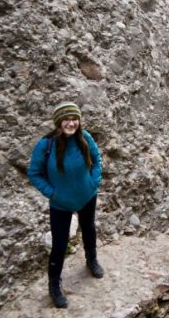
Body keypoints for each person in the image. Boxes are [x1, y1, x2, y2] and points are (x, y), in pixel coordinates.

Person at [28, 102, 104, 309]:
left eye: (74, 119)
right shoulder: (46, 145)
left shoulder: (84, 138)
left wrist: (94, 182)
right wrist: (52, 193)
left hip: (87, 195)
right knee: (60, 245)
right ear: (58, 122)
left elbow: (97, 160)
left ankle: (92, 260)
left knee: (88, 228)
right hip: (60, 203)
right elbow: (34, 173)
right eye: (66, 119)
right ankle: (54, 285)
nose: (71, 123)